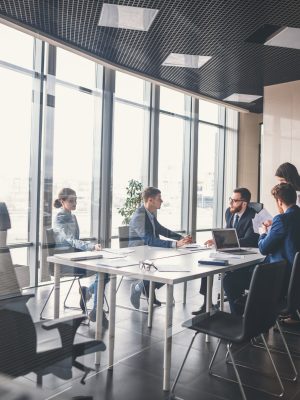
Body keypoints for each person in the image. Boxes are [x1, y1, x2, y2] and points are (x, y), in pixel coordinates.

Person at [192, 187, 259, 315]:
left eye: (234, 200)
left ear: (244, 203)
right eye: (231, 199)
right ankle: (207, 304)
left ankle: (238, 309)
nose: (230, 203)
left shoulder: (253, 216)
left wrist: (225, 242)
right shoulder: (229, 212)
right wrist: (216, 240)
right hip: (228, 250)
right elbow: (227, 232)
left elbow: (249, 239)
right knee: (208, 265)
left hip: (245, 253)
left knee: (230, 279)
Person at [129, 186, 192, 309]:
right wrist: (173, 244)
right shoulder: (139, 215)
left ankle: (146, 287)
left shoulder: (150, 214)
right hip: (138, 254)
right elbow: (148, 239)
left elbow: (161, 230)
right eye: (159, 198)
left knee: (170, 268)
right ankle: (138, 287)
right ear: (150, 200)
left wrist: (181, 238)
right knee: (165, 269)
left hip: (150, 252)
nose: (162, 201)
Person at [53, 188, 109, 326]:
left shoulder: (72, 216)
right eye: (71, 201)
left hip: (75, 255)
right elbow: (71, 240)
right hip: (65, 260)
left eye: (75, 200)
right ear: (62, 201)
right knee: (103, 271)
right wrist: (90, 246)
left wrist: (89, 249)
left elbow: (75, 241)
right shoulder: (60, 217)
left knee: (106, 270)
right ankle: (96, 308)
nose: (75, 203)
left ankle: (88, 292)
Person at [259, 183, 300, 324]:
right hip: (296, 277)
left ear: (279, 201)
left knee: (234, 279)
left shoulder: (281, 219)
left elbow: (264, 248)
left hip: (283, 278)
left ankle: (252, 322)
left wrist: (263, 234)